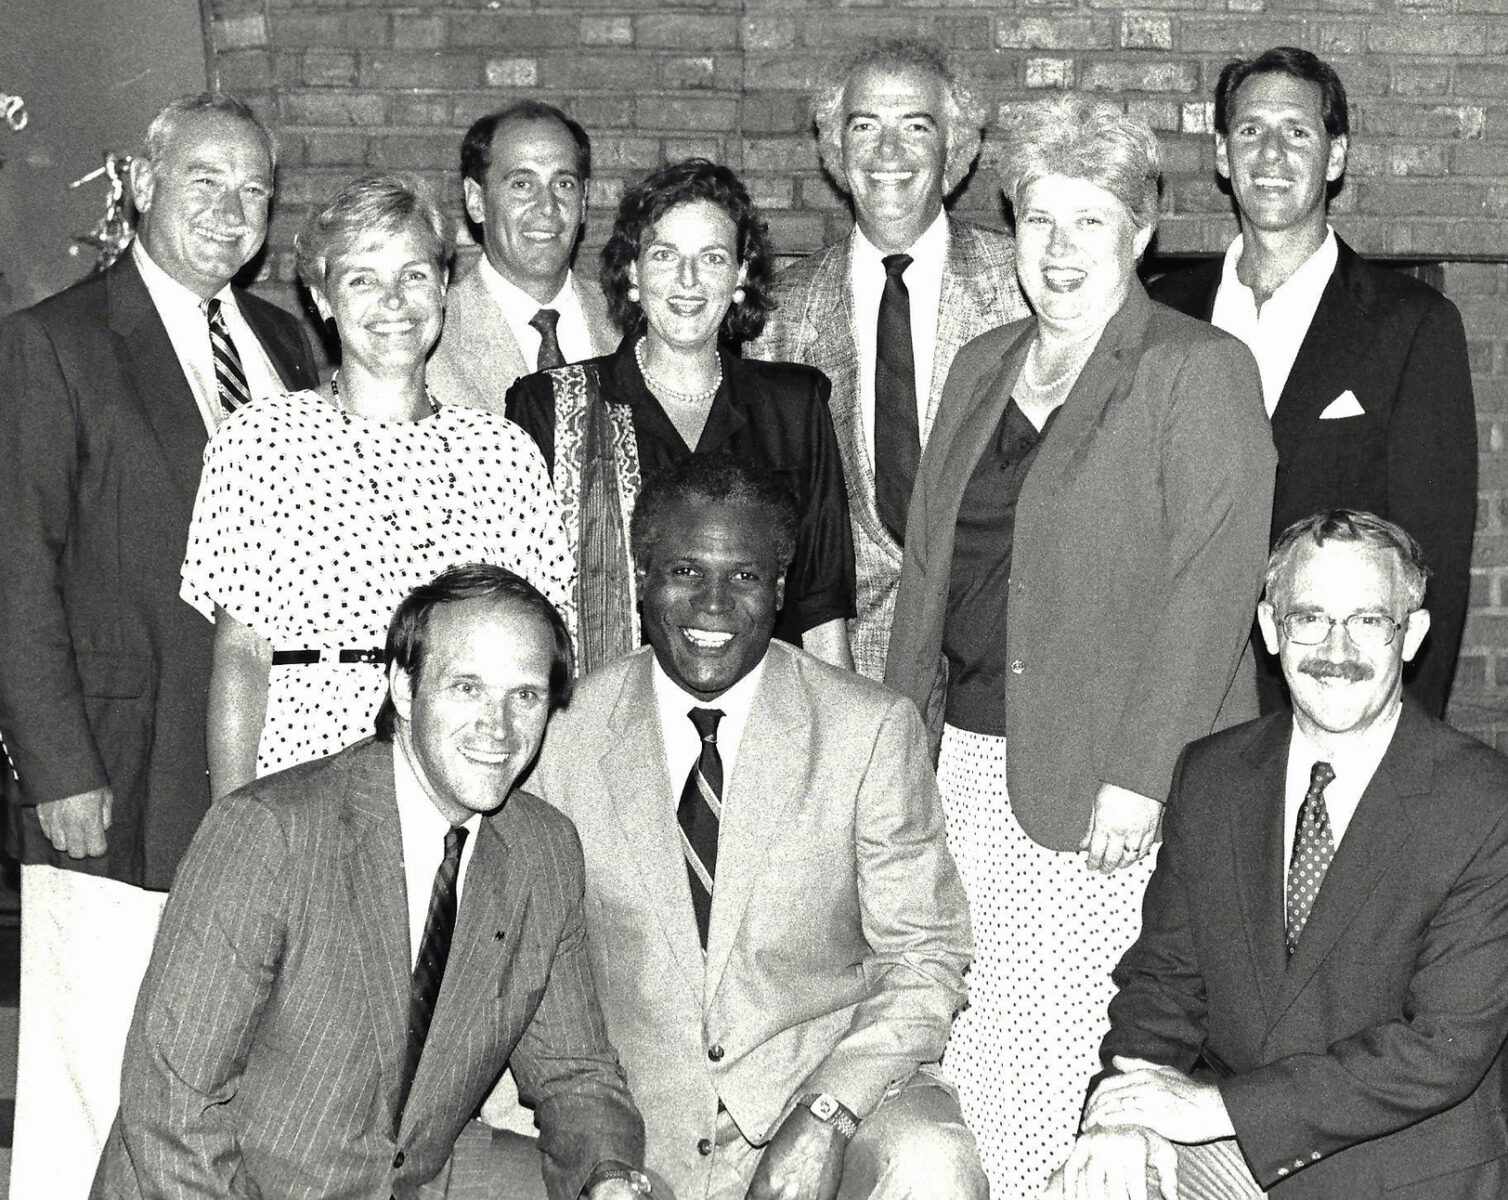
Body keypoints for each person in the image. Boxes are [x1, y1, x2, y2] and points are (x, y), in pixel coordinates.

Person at [884, 94, 1276, 1198]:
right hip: (960, 766)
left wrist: (1139, 775)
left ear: (1140, 232)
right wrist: (893, 752)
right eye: (1037, 220)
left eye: (1088, 221)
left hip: (1102, 787)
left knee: (1082, 1062)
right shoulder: (978, 365)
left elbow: (1210, 586)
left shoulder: (1192, 369)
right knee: (975, 1047)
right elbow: (926, 576)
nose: (1057, 250)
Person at [92, 564, 654, 1200]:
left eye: (524, 696)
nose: (498, 728)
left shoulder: (541, 850)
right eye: (467, 687)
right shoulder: (269, 834)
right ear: (404, 688)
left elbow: (575, 1071)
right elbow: (171, 1108)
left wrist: (609, 1177)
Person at [0, 92, 320, 1199]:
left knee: (233, 1072)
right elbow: (15, 570)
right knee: (94, 1077)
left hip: (277, 770)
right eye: (206, 181)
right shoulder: (53, 344)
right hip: (117, 775)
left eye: (256, 192)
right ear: (140, 184)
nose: (234, 211)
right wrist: (58, 768)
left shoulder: (289, 340)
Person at [511, 454, 980, 1199]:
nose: (714, 606)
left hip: (823, 1089)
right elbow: (522, 971)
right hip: (634, 1120)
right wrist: (599, 1150)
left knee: (931, 1165)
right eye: (686, 572)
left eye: (745, 577)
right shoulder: (561, 736)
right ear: (642, 580)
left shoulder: (868, 730)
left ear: (782, 589)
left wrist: (829, 1111)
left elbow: (927, 955)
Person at [1050, 511, 1508, 1199]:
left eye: (1368, 622)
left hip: (1403, 1168)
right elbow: (1164, 983)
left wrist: (1214, 1109)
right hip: (1237, 1157)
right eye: (1310, 619)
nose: (1336, 649)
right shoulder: (1212, 776)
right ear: (1270, 628)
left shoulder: (1482, 801)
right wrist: (1125, 1114)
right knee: (1092, 1183)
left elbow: (1442, 1048)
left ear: (1410, 635)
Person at [181, 172, 572, 801]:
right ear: (324, 299)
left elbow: (542, 664)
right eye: (363, 278)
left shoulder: (504, 456)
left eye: (414, 274)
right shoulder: (259, 441)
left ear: (443, 288)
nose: (393, 300)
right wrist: (234, 822)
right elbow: (241, 659)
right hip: (302, 770)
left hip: (459, 772)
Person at [1149, 47, 1477, 719]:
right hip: (1176, 705)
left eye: (1296, 131)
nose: (1271, 153)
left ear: (1334, 157)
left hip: (1334, 707)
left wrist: (1401, 750)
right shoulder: (1161, 312)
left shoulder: (1411, 326)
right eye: (1250, 130)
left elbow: (1431, 561)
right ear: (1220, 154)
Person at [505, 158, 855, 674]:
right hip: (606, 711)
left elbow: (821, 609)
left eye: (712, 258)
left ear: (740, 275)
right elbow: (524, 604)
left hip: (766, 713)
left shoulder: (793, 405)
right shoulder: (549, 405)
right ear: (632, 271)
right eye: (665, 255)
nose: (688, 280)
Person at [749, 38, 1029, 680]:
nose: (888, 154)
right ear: (836, 150)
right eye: (865, 126)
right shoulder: (778, 314)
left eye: (915, 127)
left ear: (955, 152)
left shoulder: (1023, 288)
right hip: (840, 664)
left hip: (995, 658)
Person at [428, 101, 617, 413]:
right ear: (476, 201)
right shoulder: (430, 335)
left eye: (564, 184)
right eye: (522, 184)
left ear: (584, 201)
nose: (547, 206)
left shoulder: (631, 324)